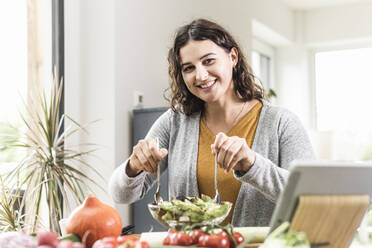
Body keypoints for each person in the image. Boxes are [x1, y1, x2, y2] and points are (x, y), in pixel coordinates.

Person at [109, 19, 315, 227]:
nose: (200, 75)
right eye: (189, 68)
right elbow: (121, 194)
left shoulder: (281, 123)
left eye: (208, 61)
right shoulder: (175, 122)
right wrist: (133, 167)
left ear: (232, 57)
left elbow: (311, 196)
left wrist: (253, 165)